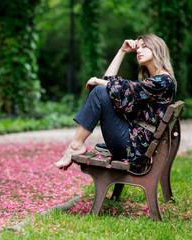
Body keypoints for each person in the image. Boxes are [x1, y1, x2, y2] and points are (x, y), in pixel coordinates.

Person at [55, 34, 176, 171]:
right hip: (137, 143)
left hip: (135, 149)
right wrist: (122, 51)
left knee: (100, 91)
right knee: (101, 90)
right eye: (138, 48)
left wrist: (97, 81)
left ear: (157, 50)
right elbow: (109, 82)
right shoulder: (158, 80)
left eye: (144, 47)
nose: (138, 51)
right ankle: (76, 145)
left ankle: (75, 146)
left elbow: (122, 87)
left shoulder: (164, 81)